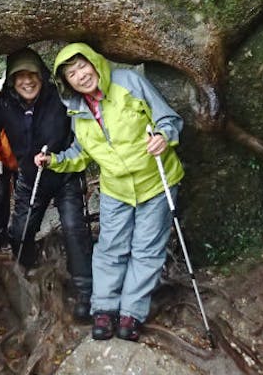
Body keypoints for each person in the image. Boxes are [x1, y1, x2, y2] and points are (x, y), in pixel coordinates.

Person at [34, 42, 184, 342]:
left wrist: (163, 137)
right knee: (110, 249)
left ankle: (131, 312)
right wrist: (55, 161)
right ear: (67, 82)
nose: (80, 75)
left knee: (146, 250)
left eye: (82, 66)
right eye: (71, 73)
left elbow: (168, 119)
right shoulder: (77, 110)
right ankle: (104, 309)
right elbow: (82, 152)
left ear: (94, 62)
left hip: (156, 180)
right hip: (115, 188)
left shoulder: (129, 82)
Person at [0, 47, 94, 320]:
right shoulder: (5, 103)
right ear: (11, 80)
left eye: (32, 74)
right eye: (19, 76)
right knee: (19, 232)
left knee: (75, 229)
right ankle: (26, 280)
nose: (26, 81)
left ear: (41, 75)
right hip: (31, 180)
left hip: (64, 175)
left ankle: (85, 295)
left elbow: (83, 124)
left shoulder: (58, 97)